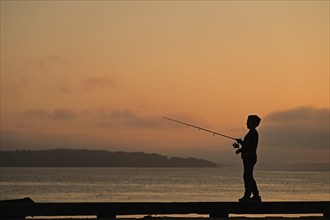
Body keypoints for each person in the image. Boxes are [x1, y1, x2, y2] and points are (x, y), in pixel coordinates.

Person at [234, 115, 262, 202]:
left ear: (253, 123)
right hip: (249, 157)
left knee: (247, 176)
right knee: (248, 176)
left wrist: (240, 150)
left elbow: (250, 147)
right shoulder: (252, 133)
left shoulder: (253, 133)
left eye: (248, 121)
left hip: (249, 157)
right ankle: (255, 195)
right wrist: (241, 142)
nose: (246, 123)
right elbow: (247, 145)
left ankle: (248, 196)